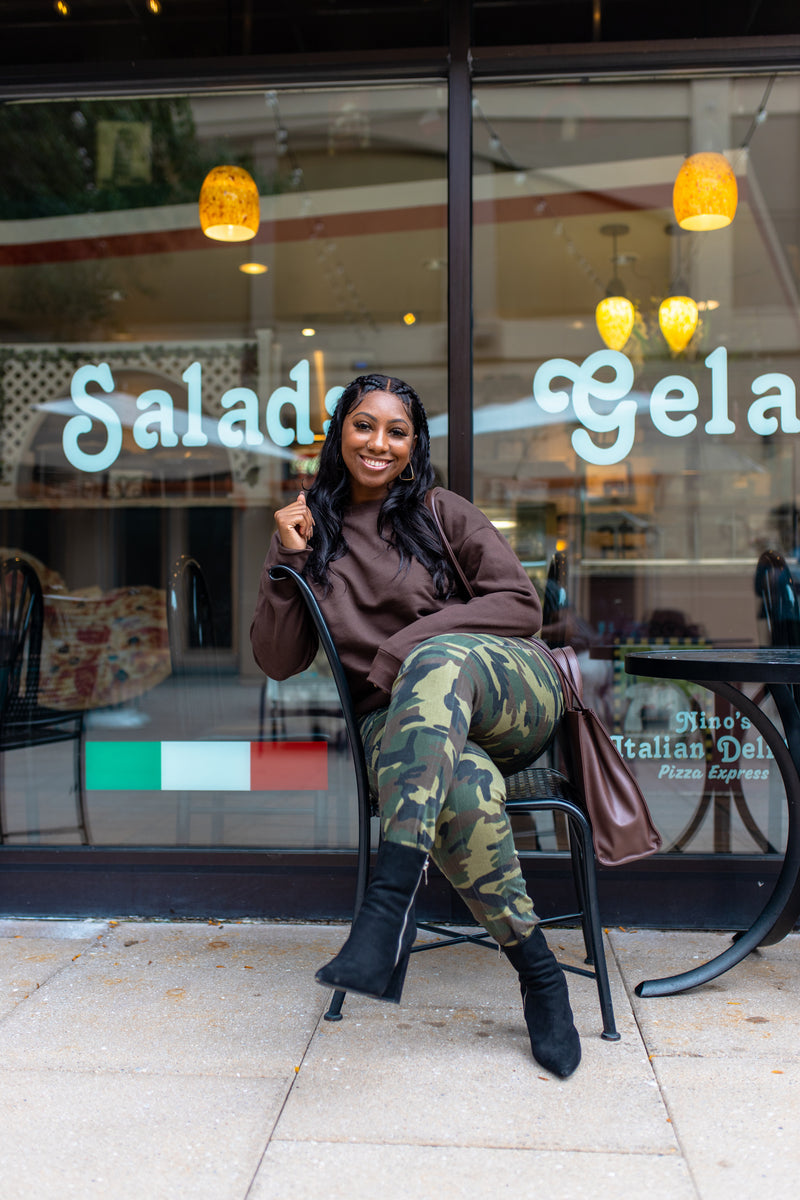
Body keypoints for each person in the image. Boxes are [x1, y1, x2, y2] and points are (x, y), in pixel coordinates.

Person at [250, 373, 581, 1078]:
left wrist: (408, 647)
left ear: (414, 443)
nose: (379, 443)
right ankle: (541, 977)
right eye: (364, 425)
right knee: (459, 789)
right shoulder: (310, 530)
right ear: (339, 433)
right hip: (402, 731)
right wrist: (288, 558)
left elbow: (520, 605)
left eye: (396, 431)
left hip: (507, 694)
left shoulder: (438, 510)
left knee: (438, 656)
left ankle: (386, 904)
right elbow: (278, 660)